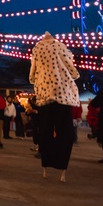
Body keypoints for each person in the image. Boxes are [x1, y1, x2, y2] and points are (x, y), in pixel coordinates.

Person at [29, 31, 80, 182]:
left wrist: (35, 79)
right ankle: (62, 166)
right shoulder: (61, 47)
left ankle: (46, 164)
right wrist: (74, 74)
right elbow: (71, 68)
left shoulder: (37, 49)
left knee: (45, 131)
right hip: (62, 93)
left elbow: (32, 73)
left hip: (44, 94)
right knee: (65, 132)